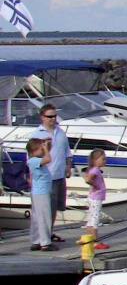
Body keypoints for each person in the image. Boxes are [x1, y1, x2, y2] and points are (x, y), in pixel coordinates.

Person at [30, 102, 70, 242]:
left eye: (54, 116)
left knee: (55, 207)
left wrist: (68, 167)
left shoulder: (60, 132)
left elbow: (67, 152)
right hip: (47, 176)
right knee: (46, 209)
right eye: (49, 117)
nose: (53, 119)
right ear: (42, 117)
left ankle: (50, 232)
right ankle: (43, 237)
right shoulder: (37, 134)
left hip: (59, 174)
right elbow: (31, 157)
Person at [26, 138, 54, 251]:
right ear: (33, 151)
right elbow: (48, 158)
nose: (43, 151)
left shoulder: (36, 159)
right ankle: (45, 242)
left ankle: (36, 241)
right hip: (41, 192)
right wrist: (46, 149)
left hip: (40, 192)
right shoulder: (33, 160)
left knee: (37, 218)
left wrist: (47, 144)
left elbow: (47, 153)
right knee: (44, 217)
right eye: (40, 149)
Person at [83, 149, 109, 250]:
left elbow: (85, 175)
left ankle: (90, 239)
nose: (104, 161)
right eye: (103, 159)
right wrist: (95, 185)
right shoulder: (96, 170)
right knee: (95, 219)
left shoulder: (93, 169)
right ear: (95, 160)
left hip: (93, 197)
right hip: (96, 198)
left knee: (91, 219)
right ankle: (95, 241)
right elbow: (88, 179)